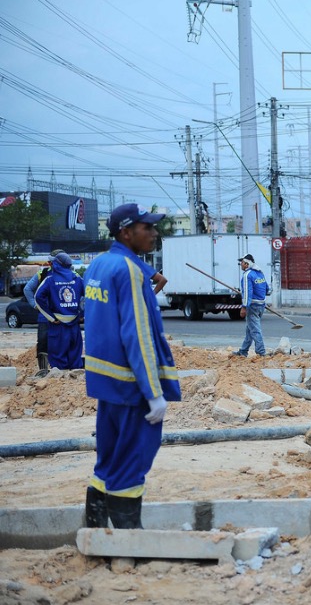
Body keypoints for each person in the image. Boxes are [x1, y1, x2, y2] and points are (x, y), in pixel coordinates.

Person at [82, 203, 181, 530]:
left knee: (107, 461)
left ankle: (97, 532)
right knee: (132, 460)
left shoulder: (99, 264)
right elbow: (137, 335)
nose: (154, 233)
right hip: (131, 386)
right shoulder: (130, 271)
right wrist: (153, 393)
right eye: (147, 227)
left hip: (106, 383)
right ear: (126, 232)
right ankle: (127, 541)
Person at [34, 252, 85, 370]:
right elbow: (91, 295)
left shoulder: (50, 280)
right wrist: (83, 314)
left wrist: (51, 317)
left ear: (56, 265)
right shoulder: (77, 279)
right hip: (74, 325)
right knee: (75, 358)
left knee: (58, 361)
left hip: (57, 325)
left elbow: (37, 297)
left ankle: (59, 380)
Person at [23, 249, 64, 377]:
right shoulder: (43, 273)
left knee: (62, 342)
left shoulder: (71, 274)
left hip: (63, 316)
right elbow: (27, 289)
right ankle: (43, 371)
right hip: (45, 316)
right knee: (43, 342)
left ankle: (62, 370)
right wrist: (35, 304)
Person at [232, 253, 271, 357]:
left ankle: (261, 352)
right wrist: (261, 298)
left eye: (242, 262)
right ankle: (243, 351)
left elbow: (247, 293)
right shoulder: (259, 273)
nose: (240, 264)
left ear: (246, 264)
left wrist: (244, 307)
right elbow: (267, 289)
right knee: (250, 330)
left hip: (252, 306)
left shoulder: (247, 275)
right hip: (261, 305)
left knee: (255, 330)